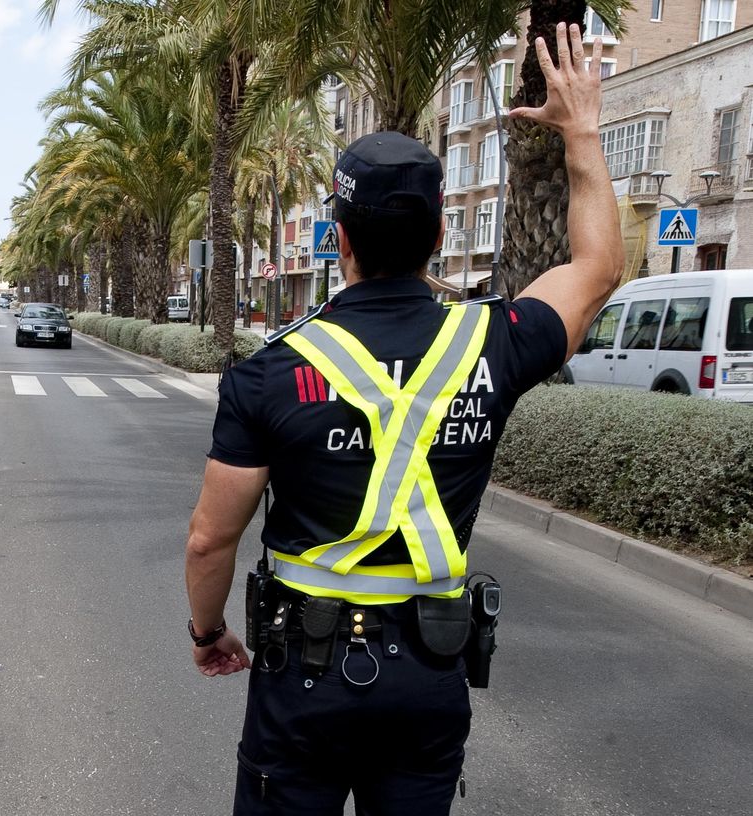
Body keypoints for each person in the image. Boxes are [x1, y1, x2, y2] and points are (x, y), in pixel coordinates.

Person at [183, 25, 622, 815]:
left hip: (304, 680)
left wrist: (207, 632)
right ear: (440, 235)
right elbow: (597, 268)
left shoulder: (269, 373)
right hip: (429, 673)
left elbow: (211, 538)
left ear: (339, 241)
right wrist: (582, 135)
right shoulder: (498, 342)